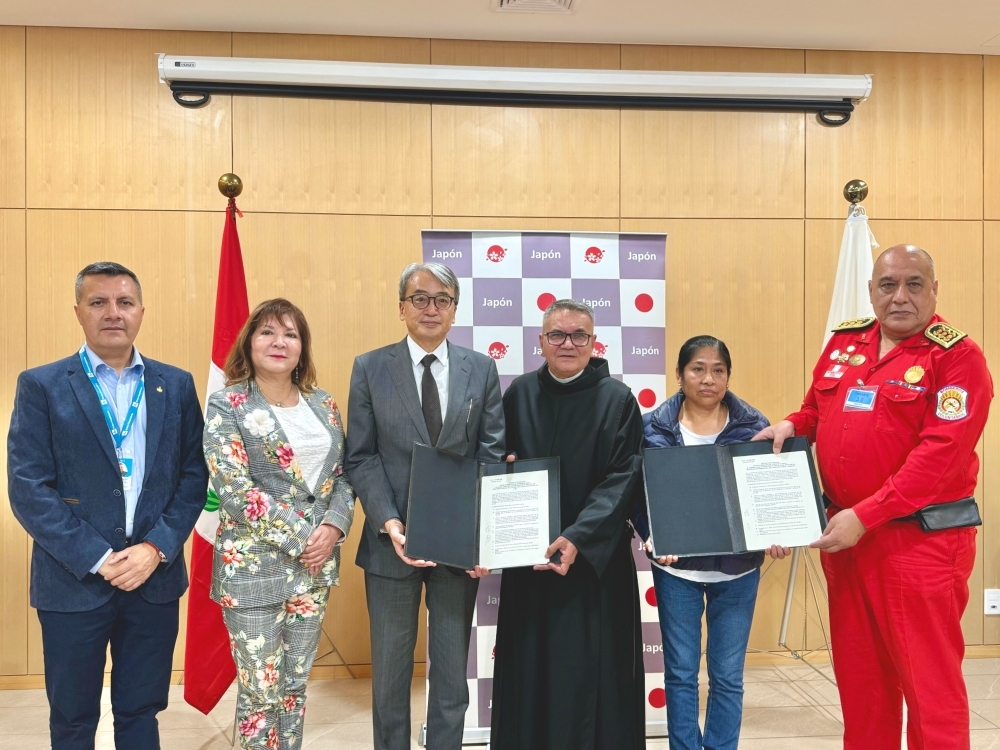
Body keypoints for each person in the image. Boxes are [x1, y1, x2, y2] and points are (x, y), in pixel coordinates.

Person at [754, 245, 993, 750]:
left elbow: (940, 456)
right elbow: (814, 409)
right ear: (871, 291)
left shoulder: (956, 358)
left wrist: (869, 515)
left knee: (929, 687)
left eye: (913, 284)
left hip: (918, 544)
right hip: (847, 541)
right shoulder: (847, 343)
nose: (900, 296)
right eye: (888, 285)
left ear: (934, 289)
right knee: (863, 686)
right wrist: (791, 426)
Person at [7, 261, 208, 750]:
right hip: (73, 582)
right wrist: (99, 557)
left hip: (152, 579)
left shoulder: (175, 384)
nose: (112, 313)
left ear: (141, 311)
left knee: (141, 712)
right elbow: (28, 487)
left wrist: (155, 548)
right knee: (73, 717)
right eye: (99, 302)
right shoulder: (42, 385)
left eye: (124, 302)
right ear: (78, 311)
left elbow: (194, 477)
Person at [344, 262, 505, 750]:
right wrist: (391, 523)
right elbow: (361, 455)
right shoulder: (370, 367)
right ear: (401, 307)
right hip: (390, 544)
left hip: (457, 548)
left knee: (452, 674)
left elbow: (491, 455)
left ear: (455, 310)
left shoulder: (480, 368)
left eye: (443, 300)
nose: (431, 308)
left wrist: (481, 535)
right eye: (420, 298)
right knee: (390, 674)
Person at [490, 299, 645, 750]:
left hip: (594, 567)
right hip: (529, 562)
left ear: (594, 343)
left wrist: (577, 536)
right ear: (540, 342)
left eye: (579, 335)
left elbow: (624, 479)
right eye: (556, 335)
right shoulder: (519, 393)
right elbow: (498, 465)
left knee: (590, 680)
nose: (568, 344)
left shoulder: (617, 400)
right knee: (529, 673)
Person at [202, 298, 355, 750]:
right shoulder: (226, 403)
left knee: (293, 689)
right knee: (259, 692)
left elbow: (342, 477)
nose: (279, 341)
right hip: (252, 571)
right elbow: (234, 489)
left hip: (314, 569)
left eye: (290, 333)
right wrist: (307, 536)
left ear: (301, 347)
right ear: (249, 342)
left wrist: (333, 528)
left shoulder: (323, 404)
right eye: (267, 331)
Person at [632, 335, 784, 750]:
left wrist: (777, 531)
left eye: (718, 370)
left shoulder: (754, 427)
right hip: (675, 569)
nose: (708, 379)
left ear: (728, 377)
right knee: (680, 672)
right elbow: (635, 493)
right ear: (679, 375)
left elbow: (766, 492)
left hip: (738, 570)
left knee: (727, 674)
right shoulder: (651, 427)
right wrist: (650, 534)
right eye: (697, 369)